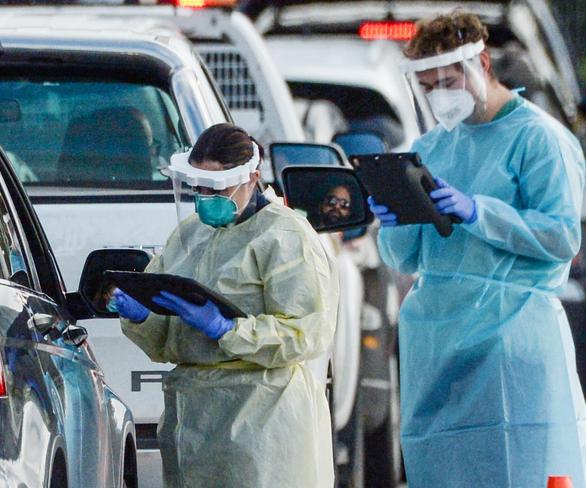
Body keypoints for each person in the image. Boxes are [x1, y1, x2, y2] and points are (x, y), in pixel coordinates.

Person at [368, 11, 586, 488]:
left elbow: (563, 237)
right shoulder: (432, 146)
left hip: (512, 339)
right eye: (428, 86)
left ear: (482, 63)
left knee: (520, 470)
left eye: (448, 80)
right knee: (445, 472)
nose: (439, 94)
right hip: (440, 346)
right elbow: (407, 259)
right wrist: (396, 219)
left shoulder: (539, 140)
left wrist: (479, 212)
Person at [110, 123, 338, 488]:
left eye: (217, 187)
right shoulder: (189, 233)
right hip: (193, 416)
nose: (205, 196)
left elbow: (305, 332)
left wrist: (230, 331)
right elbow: (166, 336)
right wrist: (143, 317)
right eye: (199, 187)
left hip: (263, 417)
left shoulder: (285, 236)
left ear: (253, 177)